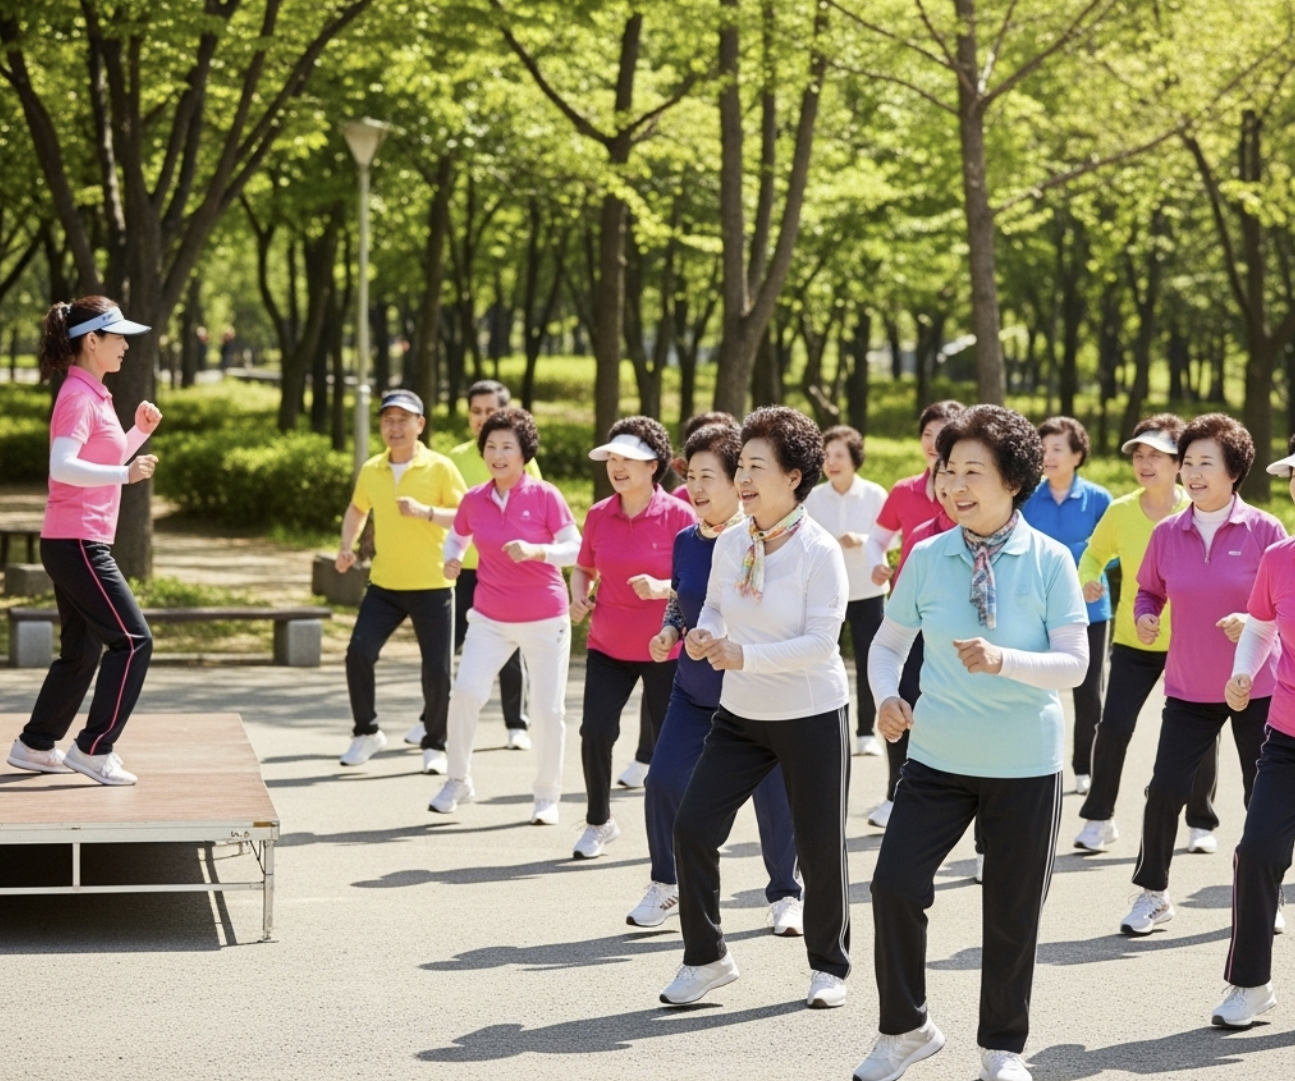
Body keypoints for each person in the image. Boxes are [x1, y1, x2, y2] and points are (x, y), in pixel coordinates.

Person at [855, 405, 1088, 1081]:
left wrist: (1003, 659)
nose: (955, 485)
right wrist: (885, 697)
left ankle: (1001, 1049)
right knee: (893, 883)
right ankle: (904, 1028)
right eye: (947, 470)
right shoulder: (927, 555)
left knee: (1011, 913)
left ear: (1014, 477)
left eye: (972, 472)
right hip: (936, 758)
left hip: (1024, 761)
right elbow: (888, 641)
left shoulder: (1048, 560)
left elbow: (1073, 664)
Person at [659, 406, 852, 1011]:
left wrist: (742, 655)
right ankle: (707, 957)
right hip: (740, 716)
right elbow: (714, 605)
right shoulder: (732, 539)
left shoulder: (820, 551)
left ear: (794, 477)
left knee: (820, 847)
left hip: (811, 713)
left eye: (756, 468)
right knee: (692, 828)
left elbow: (823, 643)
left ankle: (828, 966)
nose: (742, 479)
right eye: (740, 465)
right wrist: (703, 634)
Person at [1119, 413, 1285, 936]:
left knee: (1263, 796)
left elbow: (1286, 604)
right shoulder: (1168, 532)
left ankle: (1266, 895)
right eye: (1187, 462)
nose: (1191, 473)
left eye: (1204, 463)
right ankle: (1153, 892)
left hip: (1256, 686)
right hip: (1189, 686)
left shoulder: (1266, 531)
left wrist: (1257, 621)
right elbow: (1150, 589)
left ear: (1234, 470)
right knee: (1164, 788)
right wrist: (1146, 614)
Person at [635, 422, 802, 934]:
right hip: (695, 690)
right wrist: (669, 631)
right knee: (662, 781)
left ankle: (785, 895)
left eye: (711, 477)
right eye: (692, 476)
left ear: (739, 483)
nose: (697, 489)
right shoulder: (686, 539)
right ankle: (666, 883)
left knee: (773, 801)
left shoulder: (760, 542)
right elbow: (679, 599)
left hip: (753, 693)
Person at [6, 298, 158, 786]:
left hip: (75, 541)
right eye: (118, 338)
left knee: (82, 652)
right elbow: (62, 466)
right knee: (134, 642)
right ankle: (94, 749)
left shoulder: (95, 394)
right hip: (77, 544)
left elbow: (92, 459)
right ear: (92, 340)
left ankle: (36, 744)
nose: (126, 346)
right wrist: (125, 473)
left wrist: (137, 434)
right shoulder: (77, 395)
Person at [1073, 416, 1219, 853]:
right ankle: (1099, 819)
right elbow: (1093, 555)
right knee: (1114, 725)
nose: (1144, 463)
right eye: (1139, 454)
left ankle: (1200, 821)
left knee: (1200, 734)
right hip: (1134, 642)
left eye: (1155, 454)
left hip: (1192, 643)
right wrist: (1089, 579)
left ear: (1180, 462)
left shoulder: (1199, 510)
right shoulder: (1120, 511)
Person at [430, 408, 581, 824]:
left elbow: (576, 548)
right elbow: (456, 536)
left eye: (507, 447)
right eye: (491, 446)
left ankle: (546, 796)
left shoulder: (545, 495)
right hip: (490, 618)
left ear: (524, 452)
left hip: (545, 617)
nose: (497, 455)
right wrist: (453, 559)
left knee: (549, 710)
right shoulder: (474, 498)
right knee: (465, 694)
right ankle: (458, 780)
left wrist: (539, 551)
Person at [570, 417, 696, 858]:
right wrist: (579, 596)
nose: (618, 467)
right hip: (607, 643)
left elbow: (698, 579)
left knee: (666, 748)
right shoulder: (598, 514)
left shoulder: (680, 515)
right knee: (595, 732)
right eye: (613, 459)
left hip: (665, 647)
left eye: (630, 460)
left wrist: (663, 588)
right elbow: (584, 566)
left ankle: (671, 834)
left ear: (654, 466)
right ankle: (598, 821)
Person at [335, 390, 466, 773]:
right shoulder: (372, 469)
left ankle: (435, 745)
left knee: (437, 670)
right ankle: (366, 732)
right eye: (388, 420)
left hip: (433, 584)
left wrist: (426, 512)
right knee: (358, 653)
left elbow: (465, 516)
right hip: (385, 585)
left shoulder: (440, 467)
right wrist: (347, 545)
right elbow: (357, 508)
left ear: (420, 425)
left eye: (403, 420)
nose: (395, 427)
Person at [1213, 435, 1295, 1027]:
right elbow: (1262, 627)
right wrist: (1244, 672)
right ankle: (1250, 986)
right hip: (1287, 736)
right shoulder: (1280, 558)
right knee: (1256, 851)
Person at [867, 399, 964, 829]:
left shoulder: (978, 509)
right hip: (911, 618)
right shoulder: (907, 496)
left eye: (943, 435)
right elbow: (878, 540)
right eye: (928, 433)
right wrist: (880, 563)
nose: (933, 443)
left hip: (960, 627)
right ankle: (896, 792)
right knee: (903, 701)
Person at [440, 379, 542, 752]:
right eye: (476, 412)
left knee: (510, 648)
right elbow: (454, 513)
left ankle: (516, 723)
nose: (482, 419)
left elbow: (537, 506)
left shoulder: (522, 457)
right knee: (445, 646)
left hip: (507, 572)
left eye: (490, 411)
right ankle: (433, 721)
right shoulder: (455, 457)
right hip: (466, 569)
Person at [1020, 416, 1112, 797]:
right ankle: (1036, 764)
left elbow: (1113, 551)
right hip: (1036, 610)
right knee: (1036, 688)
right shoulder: (1026, 498)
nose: (1048, 456)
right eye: (1043, 449)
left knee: (1088, 693)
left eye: (1058, 448)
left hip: (1090, 610)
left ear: (1077, 455)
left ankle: (1082, 768)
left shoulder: (1099, 498)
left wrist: (1091, 571)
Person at [806, 425, 889, 757]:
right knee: (822, 659)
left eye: (839, 455)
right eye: (826, 456)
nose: (832, 462)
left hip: (868, 589)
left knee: (871, 660)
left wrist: (864, 540)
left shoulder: (875, 494)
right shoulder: (812, 497)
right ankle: (823, 729)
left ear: (855, 458)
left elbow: (888, 537)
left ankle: (866, 732)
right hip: (827, 592)